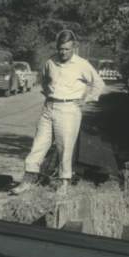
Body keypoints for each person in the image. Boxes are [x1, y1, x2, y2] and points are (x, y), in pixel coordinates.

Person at [10, 30, 105, 195]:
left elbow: (99, 84)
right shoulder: (50, 62)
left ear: (73, 47)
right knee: (38, 145)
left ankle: (64, 184)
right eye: (61, 49)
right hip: (49, 107)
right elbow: (45, 80)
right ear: (57, 47)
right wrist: (49, 94)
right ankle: (27, 181)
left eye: (67, 49)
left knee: (65, 148)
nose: (64, 52)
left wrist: (87, 99)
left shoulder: (81, 64)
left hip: (69, 110)